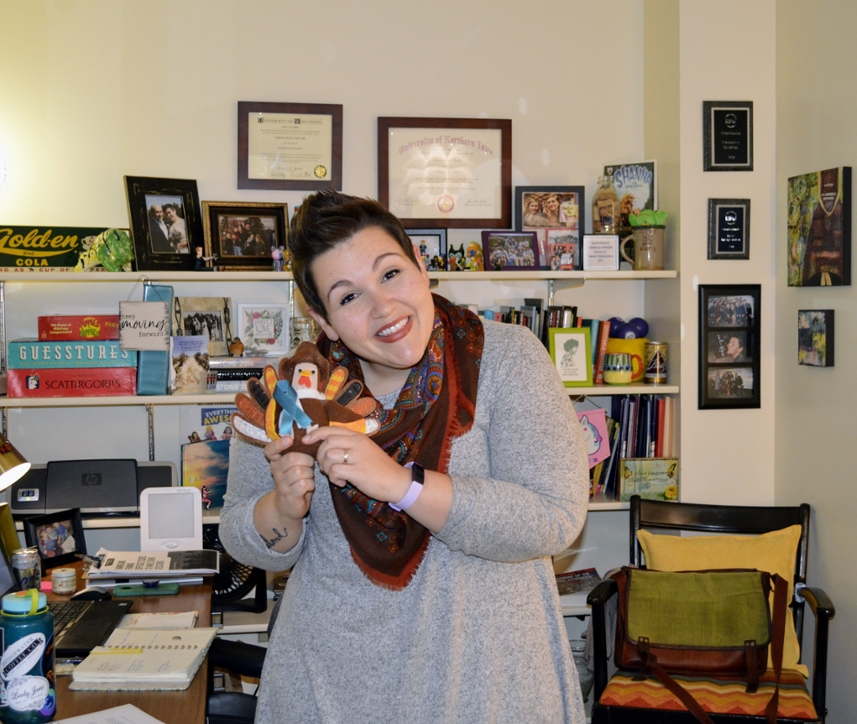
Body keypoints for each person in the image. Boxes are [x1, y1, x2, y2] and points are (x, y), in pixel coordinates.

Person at [219, 189, 590, 723]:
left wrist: (402, 484)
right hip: (328, 689)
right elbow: (244, 536)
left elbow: (553, 518)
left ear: (420, 262)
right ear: (323, 320)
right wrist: (282, 508)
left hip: (487, 687)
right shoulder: (291, 393)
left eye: (390, 274)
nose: (383, 307)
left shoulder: (506, 359)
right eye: (348, 297)